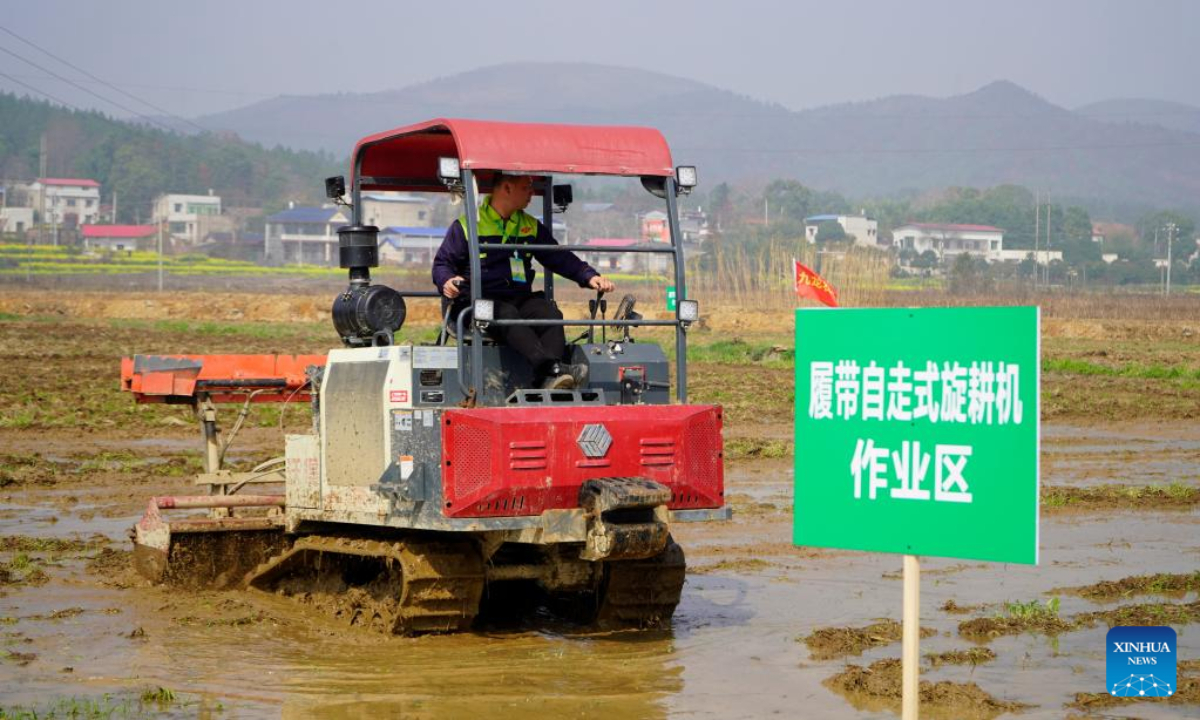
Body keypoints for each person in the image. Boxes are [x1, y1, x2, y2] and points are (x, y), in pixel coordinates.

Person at [432, 172, 615, 389]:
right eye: (526, 187)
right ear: (507, 188)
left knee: (549, 313)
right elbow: (442, 264)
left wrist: (589, 276)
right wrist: (446, 281)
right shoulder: (466, 226)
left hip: (518, 298)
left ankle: (547, 381)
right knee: (506, 314)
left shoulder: (530, 226)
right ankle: (552, 369)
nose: (532, 193)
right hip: (477, 304)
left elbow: (558, 257)